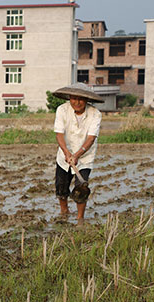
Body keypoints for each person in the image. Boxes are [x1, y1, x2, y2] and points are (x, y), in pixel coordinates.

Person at [52, 82, 104, 224]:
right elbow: (59, 134)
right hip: (64, 156)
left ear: (87, 100)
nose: (77, 102)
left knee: (81, 187)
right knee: (61, 186)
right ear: (69, 98)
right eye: (74, 98)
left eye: (81, 99)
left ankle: (80, 218)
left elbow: (91, 138)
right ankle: (64, 212)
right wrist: (67, 153)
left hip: (85, 157)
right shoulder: (62, 110)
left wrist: (77, 155)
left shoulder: (95, 114)